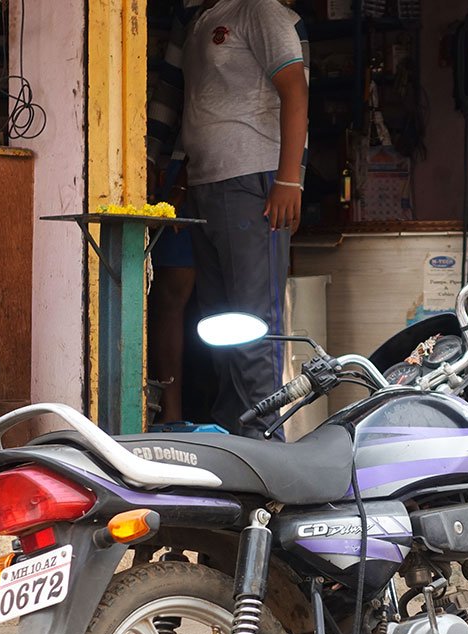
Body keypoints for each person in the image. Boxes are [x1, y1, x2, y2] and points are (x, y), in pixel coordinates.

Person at [147, 0, 308, 438]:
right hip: (205, 184)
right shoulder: (200, 18)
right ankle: (236, 437)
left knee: (255, 322)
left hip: (251, 182)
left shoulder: (260, 10)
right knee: (221, 325)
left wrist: (289, 180)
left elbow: (295, 88)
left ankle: (266, 440)